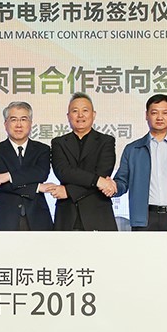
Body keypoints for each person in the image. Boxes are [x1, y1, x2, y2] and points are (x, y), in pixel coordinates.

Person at [105, 94, 167, 231]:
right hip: (144, 220)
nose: (160, 117)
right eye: (154, 112)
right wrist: (112, 186)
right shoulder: (133, 149)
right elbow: (122, 182)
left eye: (165, 113)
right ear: (146, 115)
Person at [50, 92, 118, 231]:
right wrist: (96, 180)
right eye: (75, 111)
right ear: (68, 116)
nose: (80, 115)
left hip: (98, 213)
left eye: (85, 110)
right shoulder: (59, 143)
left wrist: (69, 191)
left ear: (94, 114)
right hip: (67, 214)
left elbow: (102, 172)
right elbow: (63, 172)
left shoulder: (106, 141)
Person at [0, 101, 54, 231]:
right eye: (13, 120)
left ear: (30, 123)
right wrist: (37, 187)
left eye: (23, 119)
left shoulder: (42, 149)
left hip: (38, 219)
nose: (18, 124)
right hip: (5, 220)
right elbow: (4, 185)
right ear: (5, 124)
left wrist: (8, 176)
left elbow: (40, 173)